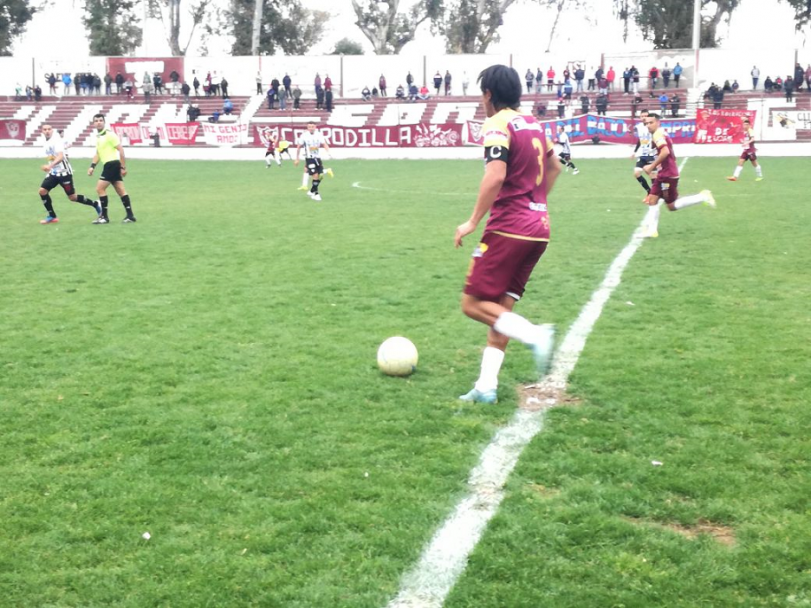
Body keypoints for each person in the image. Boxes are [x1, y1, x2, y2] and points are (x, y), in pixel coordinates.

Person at [453, 64, 560, 405]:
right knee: (501, 310)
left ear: (488, 95)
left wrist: (471, 221)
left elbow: (496, 175)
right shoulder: (533, 124)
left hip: (509, 226)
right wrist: (537, 199)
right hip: (539, 228)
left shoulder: (496, 123)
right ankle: (486, 387)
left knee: (472, 303)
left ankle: (535, 335)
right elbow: (555, 165)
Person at [640, 113, 715, 239]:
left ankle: (702, 196)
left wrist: (652, 166)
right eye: (646, 123)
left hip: (667, 175)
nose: (648, 125)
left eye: (651, 122)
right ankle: (651, 230)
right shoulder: (661, 133)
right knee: (662, 203)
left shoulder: (658, 134)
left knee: (666, 204)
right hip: (666, 173)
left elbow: (665, 151)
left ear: (658, 122)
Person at [36, 124, 102, 224]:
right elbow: (51, 157)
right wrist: (50, 167)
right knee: (42, 191)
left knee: (72, 197)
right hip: (54, 173)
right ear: (42, 131)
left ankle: (95, 204)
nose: (47, 131)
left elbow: (60, 156)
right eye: (45, 129)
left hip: (64, 173)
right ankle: (52, 216)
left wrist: (50, 166)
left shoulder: (56, 141)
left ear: (52, 130)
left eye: (49, 129)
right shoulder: (46, 142)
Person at [87, 113, 136, 224]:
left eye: (100, 120)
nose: (98, 122)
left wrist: (123, 167)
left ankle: (104, 217)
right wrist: (92, 166)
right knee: (120, 190)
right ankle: (130, 216)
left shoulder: (110, 135)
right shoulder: (99, 137)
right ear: (94, 123)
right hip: (110, 165)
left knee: (100, 189)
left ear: (104, 122)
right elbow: (98, 154)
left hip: (112, 164)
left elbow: (121, 150)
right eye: (96, 121)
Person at [294, 121, 333, 202]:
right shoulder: (304, 136)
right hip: (309, 158)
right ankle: (316, 194)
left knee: (320, 175)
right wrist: (297, 158)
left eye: (313, 126)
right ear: (307, 128)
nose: (311, 128)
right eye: (309, 127)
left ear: (315, 127)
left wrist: (328, 152)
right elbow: (299, 147)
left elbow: (324, 144)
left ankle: (312, 191)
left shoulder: (319, 134)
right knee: (315, 175)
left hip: (317, 158)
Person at [727, 117, 763, 182]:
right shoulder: (745, 131)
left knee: (754, 163)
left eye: (746, 125)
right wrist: (743, 142)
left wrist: (746, 143)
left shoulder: (750, 130)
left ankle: (760, 176)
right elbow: (747, 139)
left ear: (749, 125)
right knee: (740, 162)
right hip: (746, 150)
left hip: (750, 150)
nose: (745, 126)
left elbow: (753, 139)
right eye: (744, 125)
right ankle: (734, 177)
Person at [631, 109, 654, 196]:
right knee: (636, 173)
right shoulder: (639, 127)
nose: (644, 118)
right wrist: (634, 152)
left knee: (652, 175)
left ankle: (655, 193)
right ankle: (649, 192)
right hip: (642, 154)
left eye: (646, 116)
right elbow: (640, 140)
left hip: (652, 154)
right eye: (642, 116)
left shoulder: (652, 126)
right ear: (640, 117)